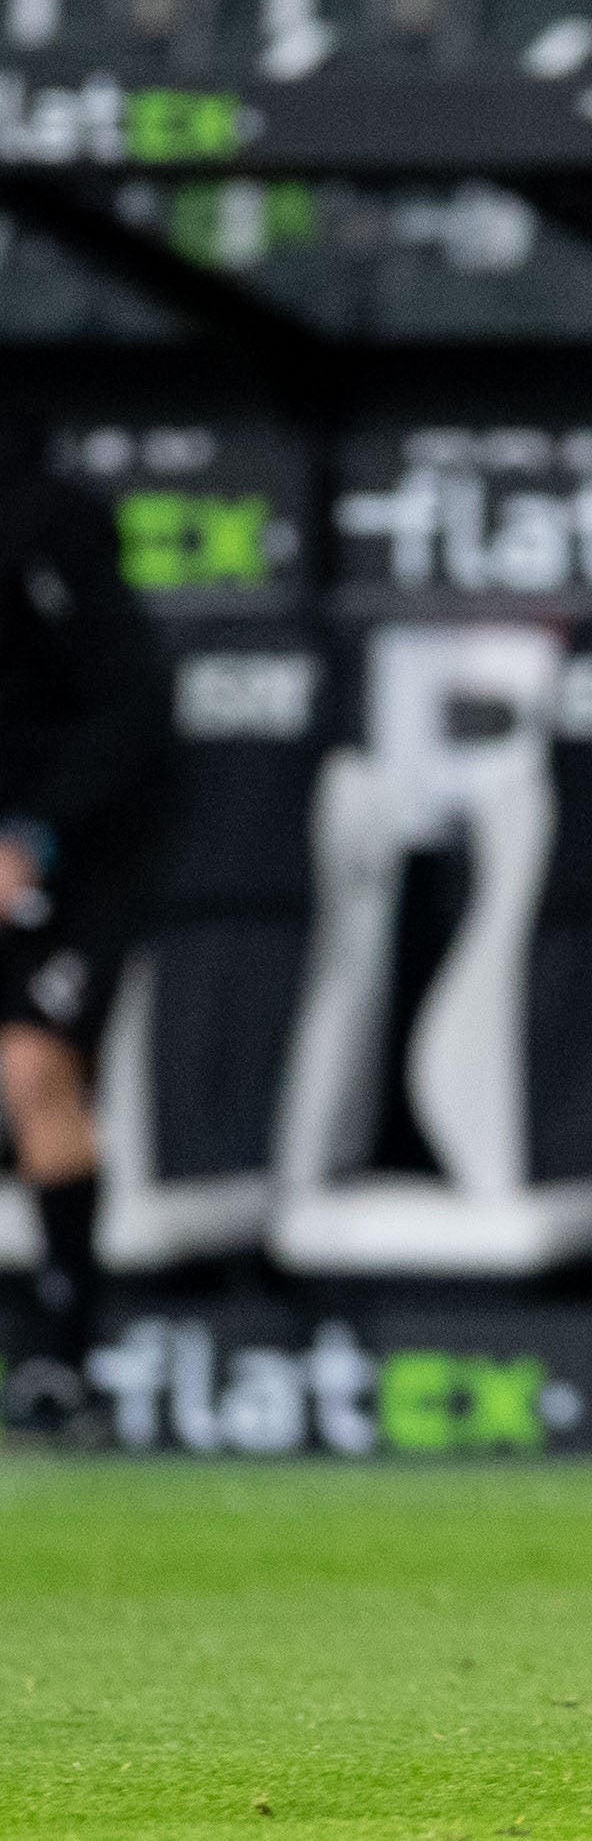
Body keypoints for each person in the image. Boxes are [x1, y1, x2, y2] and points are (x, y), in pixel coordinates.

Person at [0, 420, 174, 1445]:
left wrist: (32, 832)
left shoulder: (46, 521)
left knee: (33, 1072)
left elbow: (134, 706)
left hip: (79, 850)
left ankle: (64, 1356)